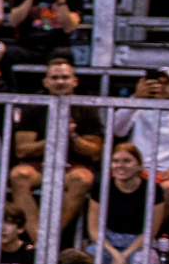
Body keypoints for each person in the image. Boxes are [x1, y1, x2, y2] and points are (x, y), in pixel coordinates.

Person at [8, 57, 104, 238]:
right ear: (46, 82)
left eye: (65, 77)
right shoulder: (34, 106)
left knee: (82, 179)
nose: (60, 82)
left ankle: (50, 237)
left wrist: (73, 137)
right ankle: (37, 237)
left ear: (75, 81)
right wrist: (54, 138)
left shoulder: (87, 107)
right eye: (55, 78)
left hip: (74, 166)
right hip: (39, 165)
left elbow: (95, 152)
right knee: (19, 175)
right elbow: (22, 150)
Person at [113, 66, 169, 206]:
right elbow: (116, 130)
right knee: (122, 180)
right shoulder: (137, 110)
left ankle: (152, 222)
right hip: (135, 171)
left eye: (168, 83)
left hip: (168, 175)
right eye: (158, 82)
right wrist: (136, 98)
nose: (162, 86)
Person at [87, 141, 169, 264]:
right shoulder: (102, 188)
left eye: (127, 161)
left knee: (141, 260)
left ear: (139, 165)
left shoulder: (153, 190)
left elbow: (150, 232)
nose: (120, 165)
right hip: (107, 243)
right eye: (115, 161)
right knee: (91, 256)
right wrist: (114, 254)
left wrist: (124, 255)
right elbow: (94, 230)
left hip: (139, 246)